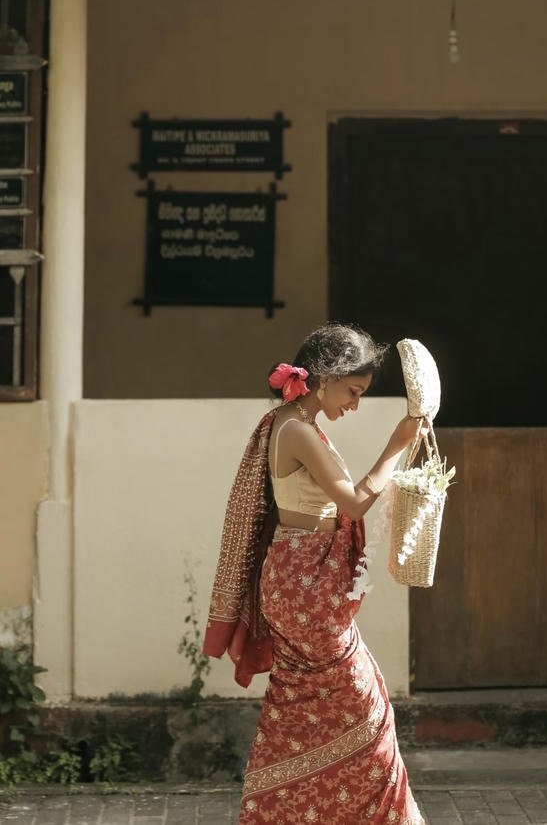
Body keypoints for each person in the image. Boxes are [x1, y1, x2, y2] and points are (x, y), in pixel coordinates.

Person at [203, 323, 425, 824]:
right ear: (324, 378)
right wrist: (396, 444)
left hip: (299, 582)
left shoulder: (290, 422)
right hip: (304, 588)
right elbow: (353, 502)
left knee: (302, 708)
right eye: (354, 391)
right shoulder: (297, 429)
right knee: (365, 711)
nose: (355, 404)